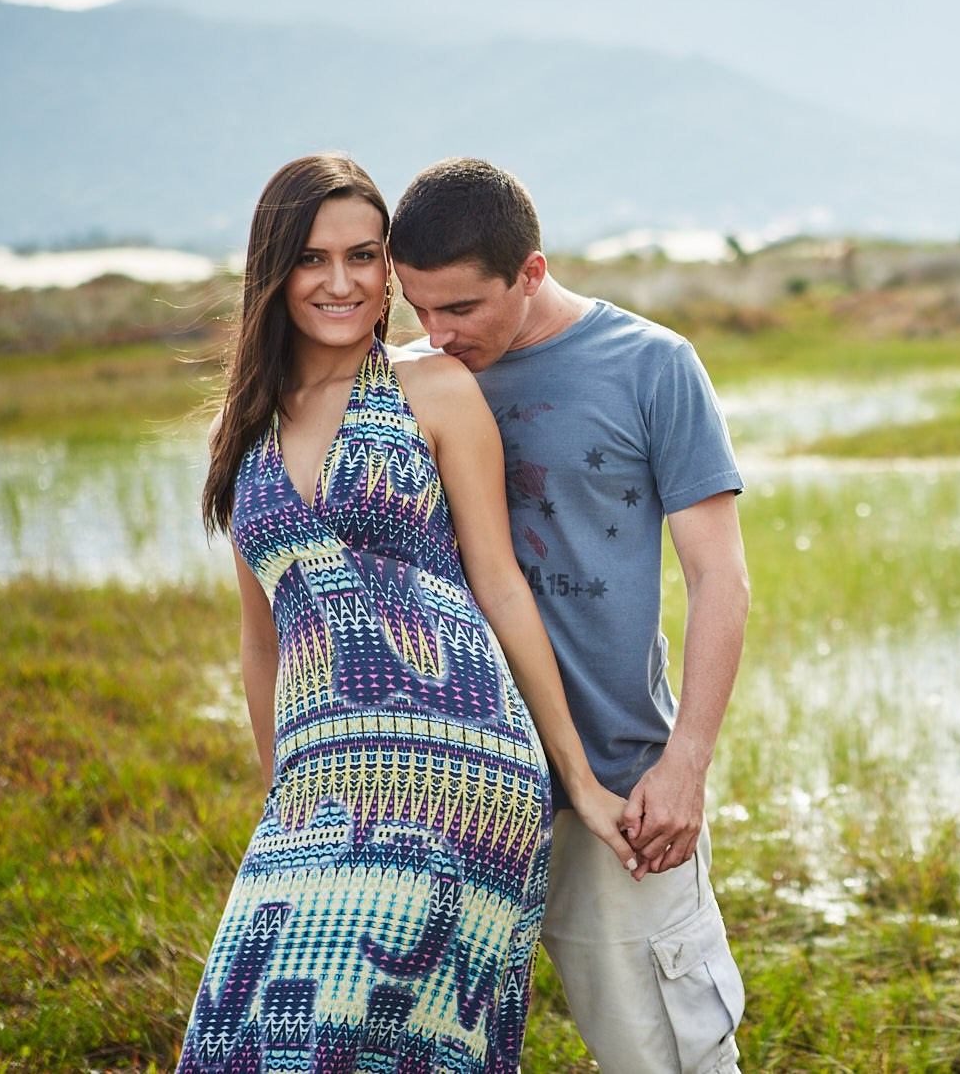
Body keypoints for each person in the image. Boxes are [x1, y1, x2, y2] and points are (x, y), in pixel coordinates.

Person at [180, 153, 633, 1074]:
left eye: (363, 255)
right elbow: (262, 640)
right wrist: (281, 800)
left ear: (388, 267)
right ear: (275, 269)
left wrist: (578, 779)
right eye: (313, 258)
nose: (340, 282)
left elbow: (499, 585)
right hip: (320, 789)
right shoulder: (244, 431)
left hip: (460, 771)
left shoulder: (433, 387)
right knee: (241, 1041)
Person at [390, 159, 750, 1074]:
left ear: (532, 272)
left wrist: (686, 762)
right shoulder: (409, 384)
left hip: (621, 787)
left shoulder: (652, 365)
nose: (438, 332)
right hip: (452, 788)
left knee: (667, 1056)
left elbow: (720, 577)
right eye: (418, 307)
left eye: (461, 307)